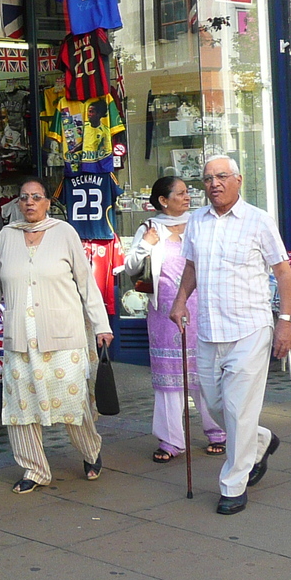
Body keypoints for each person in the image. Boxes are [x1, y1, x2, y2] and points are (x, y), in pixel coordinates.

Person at [168, 156, 291, 515]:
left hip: (250, 328)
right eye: (208, 178)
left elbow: (283, 273)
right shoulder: (196, 221)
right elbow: (191, 266)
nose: (214, 183)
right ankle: (261, 440)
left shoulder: (258, 220)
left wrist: (285, 321)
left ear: (238, 180)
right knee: (214, 404)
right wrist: (180, 302)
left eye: (222, 176)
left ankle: (233, 485)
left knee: (238, 410)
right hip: (209, 330)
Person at [0, 176, 113, 493]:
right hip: (20, 337)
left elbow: (86, 283)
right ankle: (34, 469)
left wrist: (101, 325)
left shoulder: (64, 233)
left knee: (72, 402)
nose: (30, 203)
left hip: (63, 335)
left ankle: (91, 450)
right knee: (20, 405)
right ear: (17, 203)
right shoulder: (7, 236)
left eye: (36, 197)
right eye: (24, 197)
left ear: (48, 202)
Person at [122, 176, 226, 463]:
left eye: (187, 192)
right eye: (180, 193)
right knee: (168, 380)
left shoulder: (202, 222)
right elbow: (130, 266)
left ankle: (218, 432)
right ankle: (170, 440)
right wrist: (145, 244)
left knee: (205, 373)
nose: (187, 196)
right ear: (163, 201)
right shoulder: (150, 228)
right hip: (164, 313)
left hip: (202, 309)